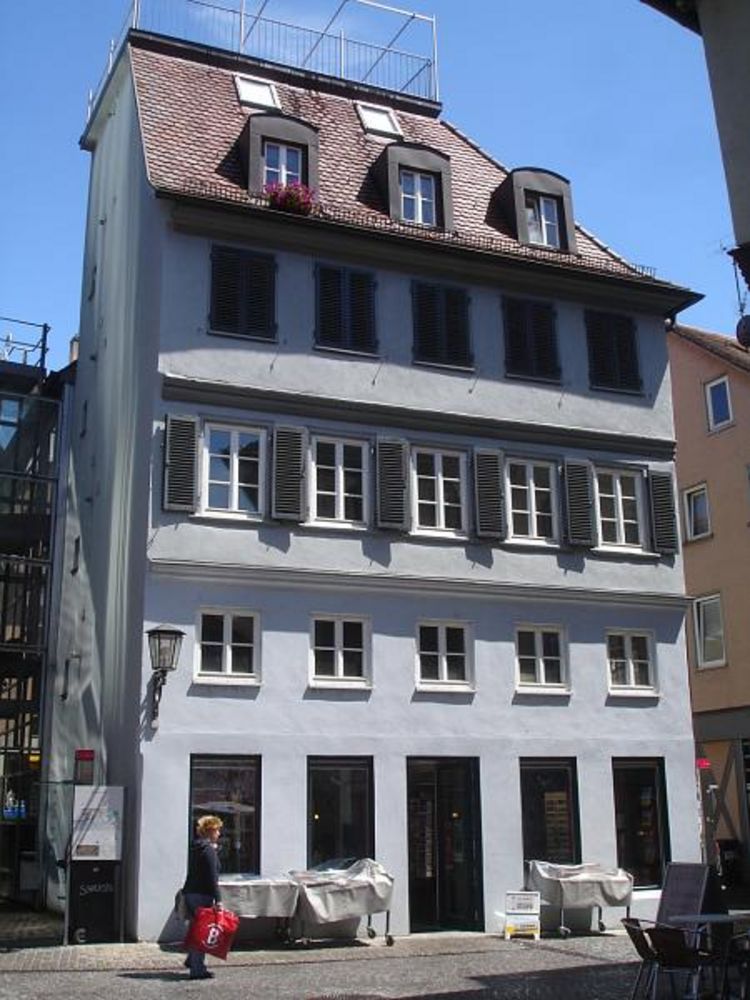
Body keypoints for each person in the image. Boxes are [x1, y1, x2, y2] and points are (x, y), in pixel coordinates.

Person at [182, 814, 223, 980]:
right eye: (217, 830)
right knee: (202, 931)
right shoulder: (208, 850)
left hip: (191, 892)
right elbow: (212, 877)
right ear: (210, 831)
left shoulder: (196, 847)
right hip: (202, 894)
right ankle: (197, 969)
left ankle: (191, 960)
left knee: (195, 928)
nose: (219, 833)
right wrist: (218, 899)